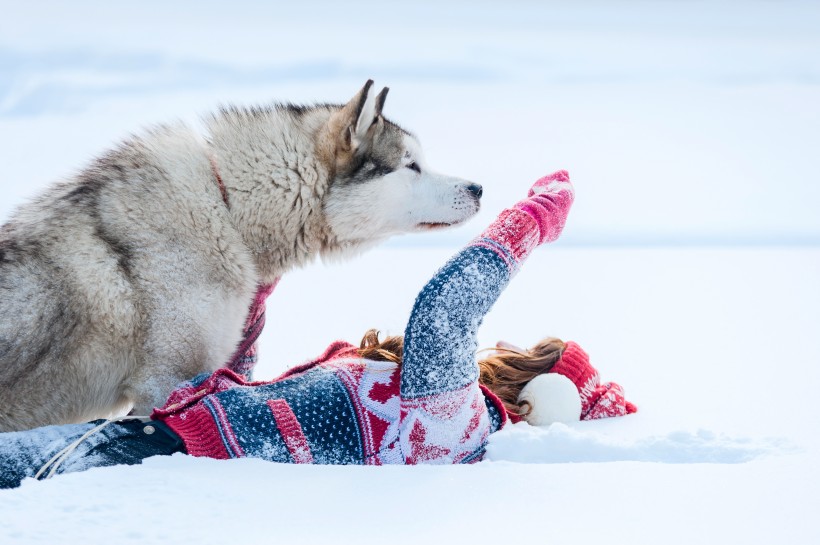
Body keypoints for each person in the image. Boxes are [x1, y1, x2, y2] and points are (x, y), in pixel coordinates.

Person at [0, 171, 635, 489]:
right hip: (157, 445)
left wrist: (531, 221)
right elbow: (238, 401)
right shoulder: (421, 406)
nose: (501, 350)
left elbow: (446, 309)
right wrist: (257, 290)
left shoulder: (453, 419)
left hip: (156, 462)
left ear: (532, 388)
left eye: (521, 354)